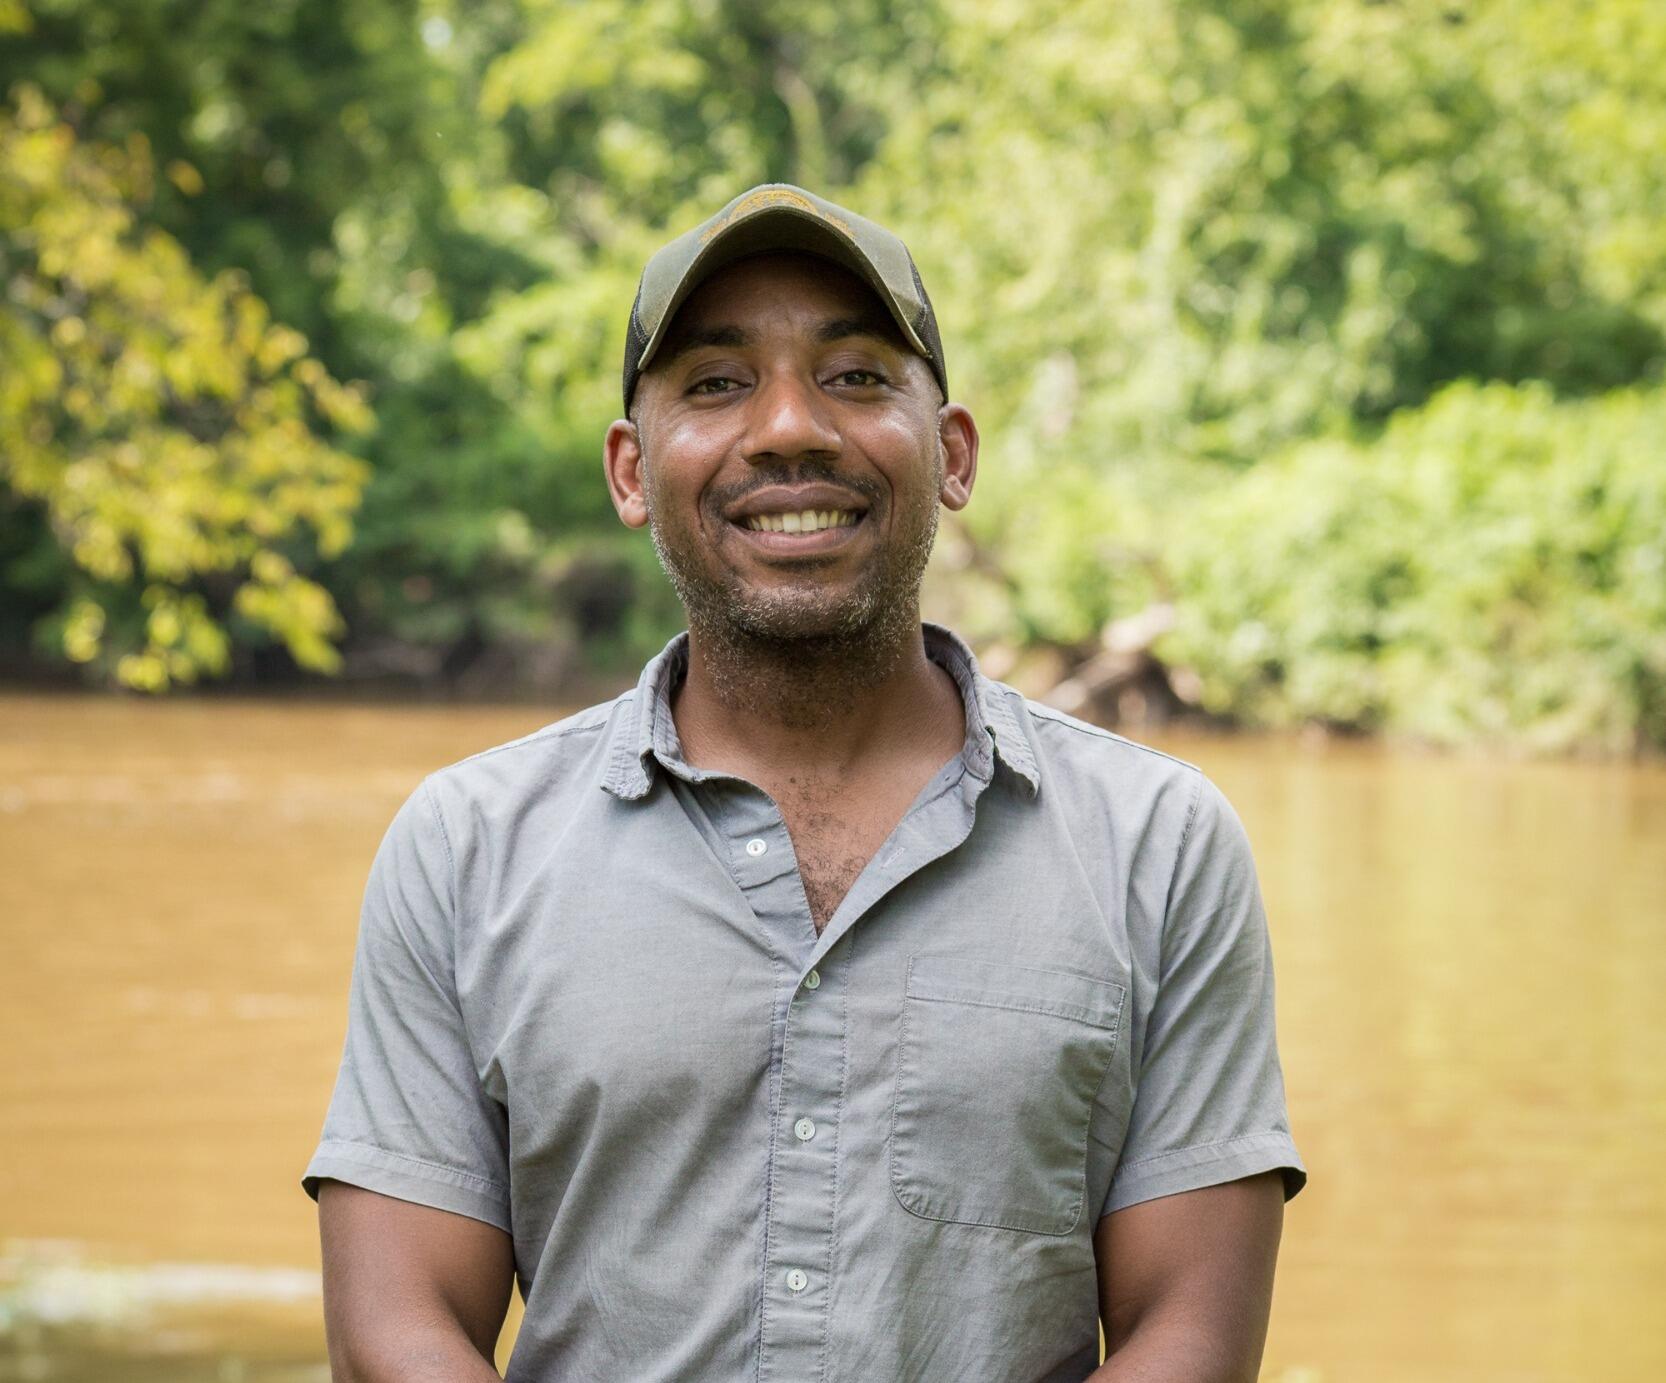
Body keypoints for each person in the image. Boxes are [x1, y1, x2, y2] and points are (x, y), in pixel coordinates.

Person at [302, 183, 1307, 1382]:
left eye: (856, 377)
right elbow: (399, 1328)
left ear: (952, 455)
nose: (788, 427)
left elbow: (1186, 1338)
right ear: (631, 472)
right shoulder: (466, 848)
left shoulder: (1158, 845)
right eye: (717, 383)